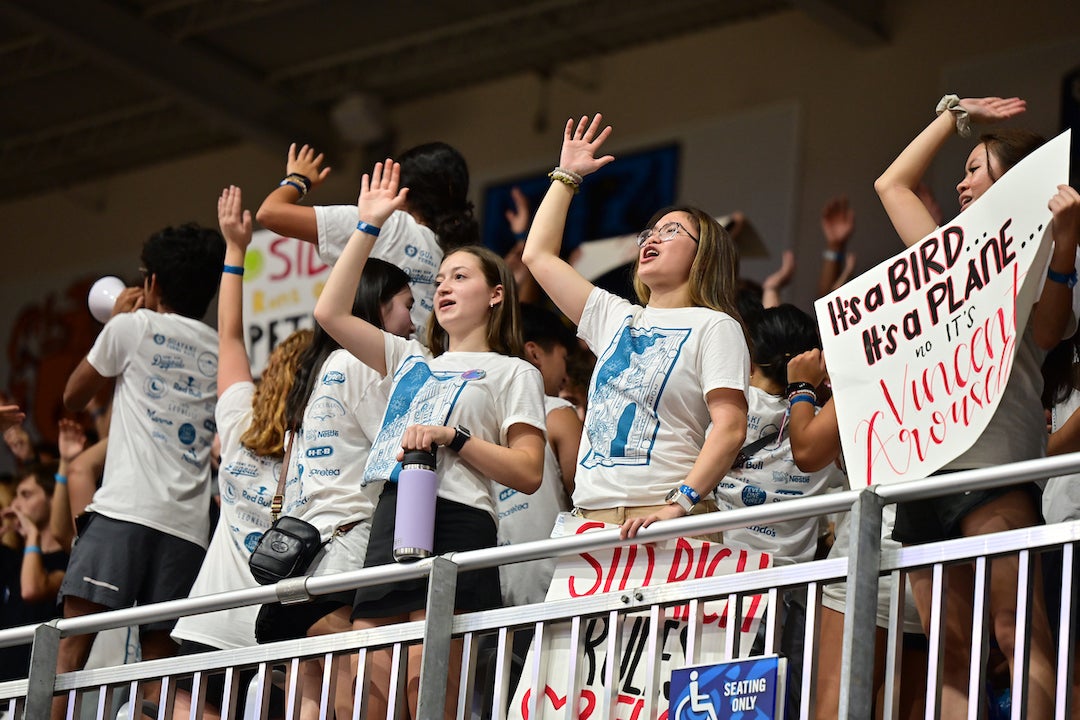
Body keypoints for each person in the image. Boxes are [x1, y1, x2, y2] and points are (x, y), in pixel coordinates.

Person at [313, 159, 547, 719]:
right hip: (391, 518)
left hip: (460, 523)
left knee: (427, 692)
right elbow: (329, 311)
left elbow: (528, 471)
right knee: (365, 697)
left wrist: (455, 438)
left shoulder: (514, 372)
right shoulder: (410, 358)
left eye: (460, 277)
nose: (443, 287)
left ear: (496, 295)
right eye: (439, 280)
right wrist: (366, 227)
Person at [873, 94, 1080, 715]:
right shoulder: (946, 258)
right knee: (951, 651)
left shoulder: (1042, 252)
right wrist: (955, 117)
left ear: (1011, 182)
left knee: (1019, 633)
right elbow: (892, 183)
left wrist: (1066, 239)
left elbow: (1047, 332)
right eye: (962, 170)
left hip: (994, 466)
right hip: (923, 468)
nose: (960, 184)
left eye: (974, 169)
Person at [521, 113, 750, 540]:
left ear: (705, 255)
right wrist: (567, 176)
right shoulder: (614, 316)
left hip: (668, 515)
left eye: (672, 231)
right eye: (649, 232)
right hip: (590, 522)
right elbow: (538, 256)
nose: (651, 239)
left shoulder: (715, 326)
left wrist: (679, 503)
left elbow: (731, 426)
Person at [55, 222, 224, 719]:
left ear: (151, 284)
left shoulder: (131, 328)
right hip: (187, 532)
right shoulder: (219, 349)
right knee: (158, 685)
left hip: (123, 515)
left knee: (67, 658)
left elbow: (71, 398)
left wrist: (118, 324)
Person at [169, 187, 310, 719]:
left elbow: (229, 335)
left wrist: (236, 249)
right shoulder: (323, 451)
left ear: (270, 374)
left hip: (205, 628)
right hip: (271, 645)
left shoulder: (239, 421)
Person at [256, 141, 479, 339]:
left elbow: (270, 213)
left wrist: (298, 179)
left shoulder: (388, 225)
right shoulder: (456, 254)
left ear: (404, 190)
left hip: (371, 368)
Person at [496, 303, 582, 607]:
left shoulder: (478, 418)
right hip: (549, 584)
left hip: (488, 586)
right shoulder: (558, 412)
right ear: (534, 353)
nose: (565, 377)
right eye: (563, 358)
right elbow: (584, 493)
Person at [0, 464, 69, 681]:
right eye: (15, 497)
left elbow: (31, 589)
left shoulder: (67, 560)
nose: (16, 504)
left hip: (31, 684)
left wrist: (32, 535)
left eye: (26, 495)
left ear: (52, 499)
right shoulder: (12, 559)